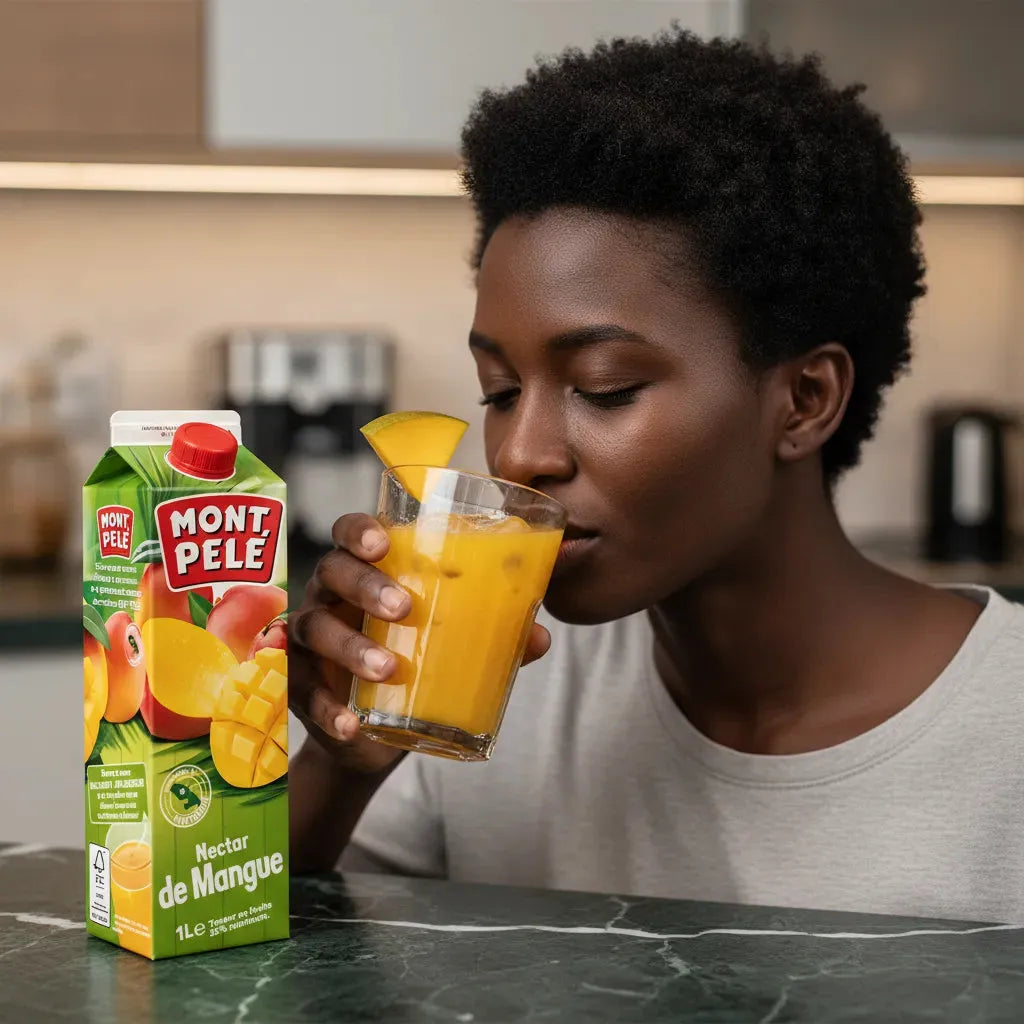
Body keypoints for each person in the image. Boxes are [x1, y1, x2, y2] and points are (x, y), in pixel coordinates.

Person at [287, 28, 1024, 923]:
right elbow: (237, 969)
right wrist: (340, 757)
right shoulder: (487, 684)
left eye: (607, 389)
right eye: (502, 390)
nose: (520, 454)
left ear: (803, 399)